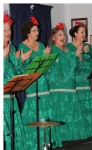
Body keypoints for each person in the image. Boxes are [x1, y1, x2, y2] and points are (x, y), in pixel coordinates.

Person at [18, 16, 51, 149]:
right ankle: (32, 142)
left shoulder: (42, 45)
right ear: (28, 33)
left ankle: (45, 141)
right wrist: (41, 55)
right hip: (32, 83)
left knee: (45, 109)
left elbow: (46, 65)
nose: (37, 33)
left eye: (37, 30)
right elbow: (23, 68)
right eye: (34, 30)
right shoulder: (21, 46)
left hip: (43, 80)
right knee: (34, 109)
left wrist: (47, 57)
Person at [68, 24, 92, 139]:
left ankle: (89, 133)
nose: (84, 34)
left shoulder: (87, 46)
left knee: (88, 109)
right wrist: (78, 54)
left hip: (86, 83)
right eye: (81, 32)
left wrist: (87, 53)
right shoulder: (69, 48)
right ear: (75, 34)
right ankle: (79, 134)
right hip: (76, 84)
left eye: (85, 32)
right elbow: (69, 66)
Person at [4, 13, 27, 150]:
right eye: (4, 30)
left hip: (11, 98)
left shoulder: (12, 49)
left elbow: (16, 74)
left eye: (9, 29)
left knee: (13, 134)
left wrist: (20, 61)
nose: (8, 32)